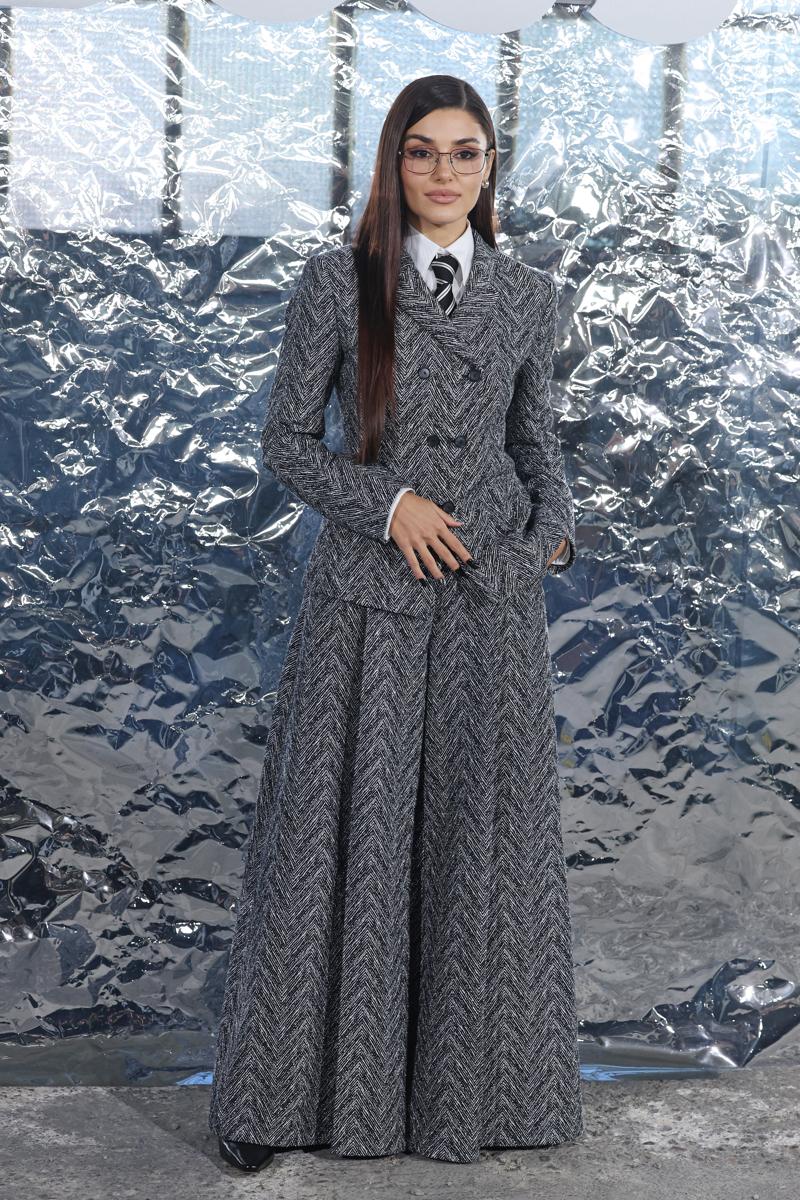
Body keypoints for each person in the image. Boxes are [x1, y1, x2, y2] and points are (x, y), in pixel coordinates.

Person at [207, 72, 583, 1170]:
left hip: (487, 605)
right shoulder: (337, 283)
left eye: (465, 153)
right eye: (422, 152)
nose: (443, 172)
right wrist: (388, 505)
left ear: (489, 167)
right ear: (392, 162)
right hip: (367, 605)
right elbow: (285, 444)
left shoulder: (527, 296)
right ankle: (283, 1102)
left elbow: (538, 450)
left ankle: (470, 1105)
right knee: (336, 841)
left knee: (480, 841)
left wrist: (546, 542)